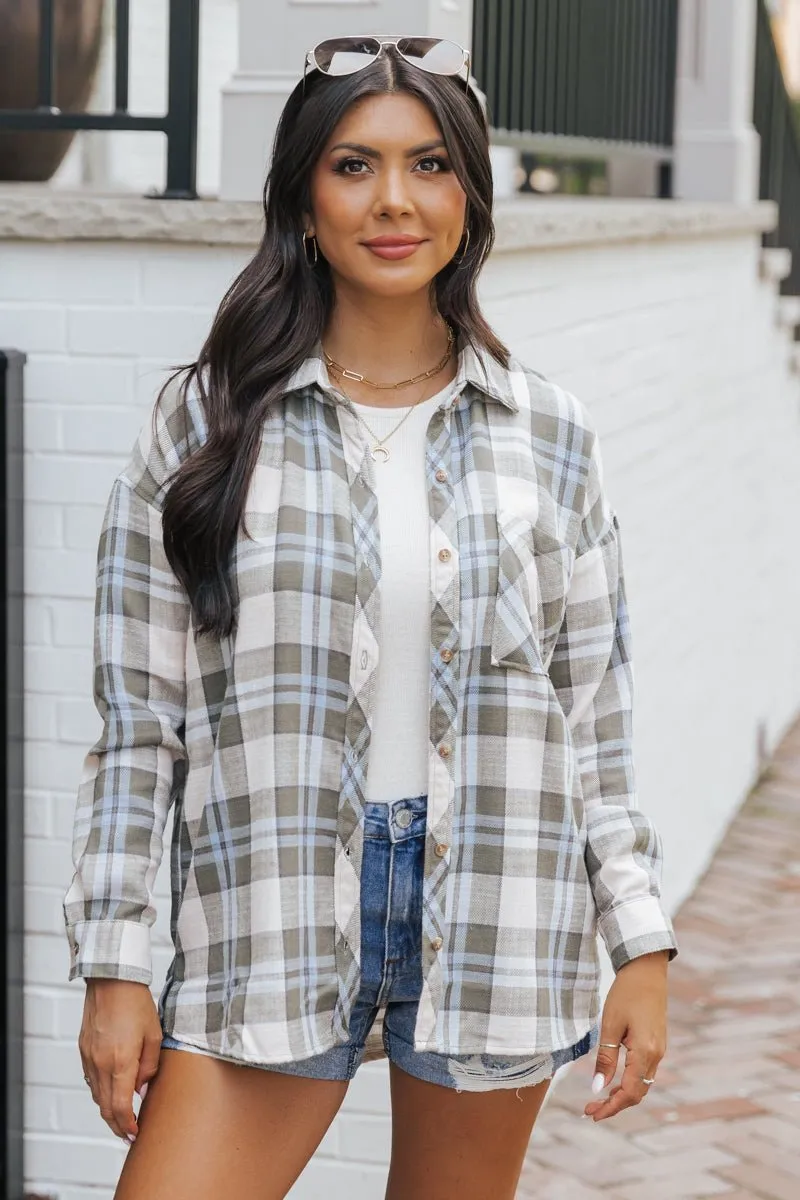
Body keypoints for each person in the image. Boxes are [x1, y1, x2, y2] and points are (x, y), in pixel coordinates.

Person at [63, 34, 678, 1200]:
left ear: (468, 198)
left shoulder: (549, 433)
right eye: (353, 165)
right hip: (270, 909)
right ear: (303, 198)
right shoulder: (199, 429)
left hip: (499, 905)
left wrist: (637, 943)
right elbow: (140, 728)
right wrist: (115, 963)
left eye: (429, 164)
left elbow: (593, 715)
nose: (393, 199)